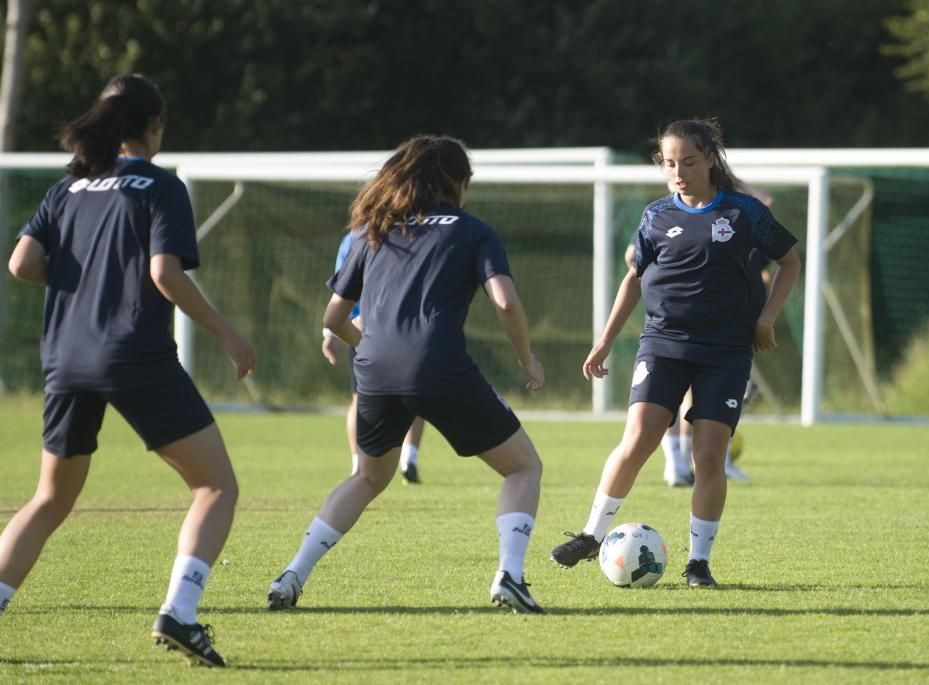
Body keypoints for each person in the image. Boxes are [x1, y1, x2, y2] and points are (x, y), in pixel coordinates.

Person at [0, 74, 254, 667]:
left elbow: (21, 263)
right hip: (131, 353)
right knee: (216, 486)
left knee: (50, 498)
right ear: (154, 126)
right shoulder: (160, 187)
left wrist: (80, 281)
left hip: (65, 357)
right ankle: (180, 615)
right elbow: (165, 274)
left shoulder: (70, 187)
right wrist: (226, 332)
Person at [268, 134, 546, 613]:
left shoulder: (375, 230)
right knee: (523, 466)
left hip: (373, 371)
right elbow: (505, 301)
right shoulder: (473, 231)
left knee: (367, 477)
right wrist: (527, 360)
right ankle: (510, 577)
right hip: (439, 366)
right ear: (459, 182)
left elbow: (333, 320)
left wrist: (371, 348)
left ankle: (293, 574)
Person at [550, 118, 800, 587]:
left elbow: (789, 261)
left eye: (688, 161)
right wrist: (604, 340)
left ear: (709, 158)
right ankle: (590, 534)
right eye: (669, 163)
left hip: (725, 349)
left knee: (708, 455)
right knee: (639, 437)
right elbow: (635, 276)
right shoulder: (656, 215)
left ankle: (698, 562)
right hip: (663, 343)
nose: (678, 171)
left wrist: (766, 318)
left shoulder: (744, 213)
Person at [324, 230, 426, 484]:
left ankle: (359, 464)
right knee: (415, 395)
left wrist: (331, 332)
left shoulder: (354, 238)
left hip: (361, 329)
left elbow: (340, 289)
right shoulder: (409, 231)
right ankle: (408, 459)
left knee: (360, 399)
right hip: (402, 329)